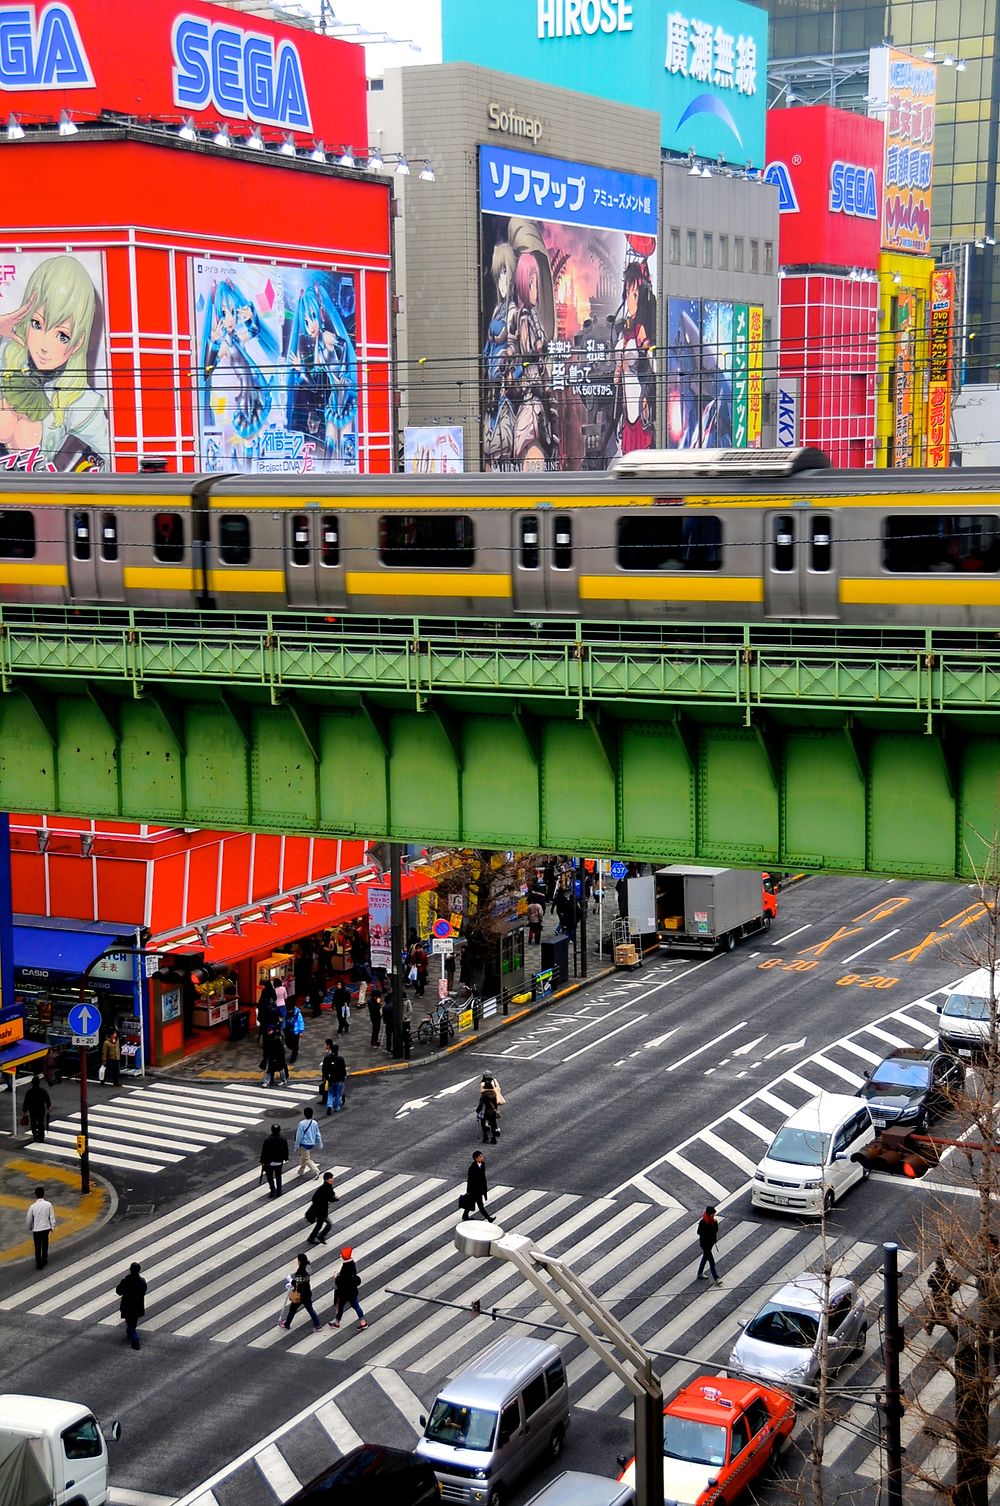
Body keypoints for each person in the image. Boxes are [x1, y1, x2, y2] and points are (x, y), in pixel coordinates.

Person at [277, 1251, 322, 1332]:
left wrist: (290, 1280)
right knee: (310, 1309)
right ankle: (317, 1325)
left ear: (300, 1261)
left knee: (292, 1309)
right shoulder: (308, 1267)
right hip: (307, 1292)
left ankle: (287, 1324)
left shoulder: (300, 1271)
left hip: (300, 1294)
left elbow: (297, 1282)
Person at [329, 1247, 368, 1330]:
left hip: (344, 1292)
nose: (340, 1255)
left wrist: (336, 1277)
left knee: (340, 1307)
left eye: (341, 1255)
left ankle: (337, 1323)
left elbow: (341, 1282)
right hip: (352, 1291)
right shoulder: (352, 1264)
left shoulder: (345, 1268)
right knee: (356, 1306)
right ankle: (363, 1322)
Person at [925, 1255, 960, 1338]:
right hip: (942, 1297)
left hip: (939, 1297)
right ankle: (957, 1338)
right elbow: (956, 1284)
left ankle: (930, 1326)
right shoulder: (947, 1275)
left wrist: (949, 1290)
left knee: (936, 1313)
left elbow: (929, 1283)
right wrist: (950, 1290)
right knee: (942, 1317)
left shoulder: (939, 1275)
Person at [115, 1262, 147, 1350]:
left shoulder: (125, 1281)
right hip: (137, 1306)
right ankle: (130, 1334)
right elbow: (144, 1291)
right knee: (133, 1322)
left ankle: (135, 1340)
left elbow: (118, 1291)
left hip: (127, 1305)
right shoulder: (142, 1281)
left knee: (130, 1323)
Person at [26, 1186, 56, 1269]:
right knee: (45, 1244)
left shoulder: (32, 1207)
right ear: (44, 1194)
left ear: (35, 1195)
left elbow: (29, 1219)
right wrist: (52, 1227)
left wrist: (30, 1227)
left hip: (37, 1229)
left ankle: (39, 1263)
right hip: (46, 1228)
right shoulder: (48, 1204)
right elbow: (52, 1217)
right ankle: (44, 1259)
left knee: (37, 1246)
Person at [306, 1171, 338, 1245]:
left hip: (319, 1210)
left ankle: (313, 1237)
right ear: (327, 1180)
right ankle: (320, 1236)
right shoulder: (327, 1188)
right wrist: (336, 1198)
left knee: (319, 1225)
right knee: (329, 1224)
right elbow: (330, 1198)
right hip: (321, 1211)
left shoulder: (324, 1187)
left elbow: (314, 1198)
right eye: (331, 1178)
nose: (332, 1179)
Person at [462, 1151, 494, 1222]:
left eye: (482, 1156)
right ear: (476, 1158)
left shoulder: (482, 1164)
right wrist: (469, 1191)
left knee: (470, 1204)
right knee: (480, 1205)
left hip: (479, 1189)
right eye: (480, 1157)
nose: (482, 1157)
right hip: (474, 1190)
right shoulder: (472, 1168)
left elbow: (483, 1178)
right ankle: (489, 1218)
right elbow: (470, 1180)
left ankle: (465, 1216)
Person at [259, 1122, 289, 1198]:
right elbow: (286, 1150)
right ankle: (279, 1191)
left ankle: (272, 1190)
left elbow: (264, 1151)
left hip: (270, 1162)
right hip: (279, 1161)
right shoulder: (283, 1139)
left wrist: (262, 1161)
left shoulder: (268, 1140)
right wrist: (285, 1158)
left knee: (269, 1177)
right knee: (278, 1176)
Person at [695, 1206, 721, 1284]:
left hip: (710, 1244)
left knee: (705, 1258)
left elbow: (716, 1230)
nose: (714, 1215)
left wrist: (715, 1224)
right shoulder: (703, 1222)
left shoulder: (713, 1221)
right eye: (713, 1214)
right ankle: (716, 1278)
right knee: (711, 1262)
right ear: (710, 1214)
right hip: (705, 1244)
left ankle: (699, 1273)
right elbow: (699, 1232)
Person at [294, 1107, 322, 1179]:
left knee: (306, 1159)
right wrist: (319, 1142)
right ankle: (301, 1170)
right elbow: (317, 1133)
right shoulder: (314, 1122)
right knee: (304, 1157)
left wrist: (296, 1145)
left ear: (304, 1114)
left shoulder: (302, 1124)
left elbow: (299, 1136)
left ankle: (316, 1171)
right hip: (311, 1143)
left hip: (304, 1143)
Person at [23, 1074, 50, 1142]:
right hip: (41, 1109)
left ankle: (35, 1135)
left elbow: (26, 1102)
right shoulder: (43, 1091)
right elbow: (47, 1100)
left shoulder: (29, 1092)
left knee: (33, 1122)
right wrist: (48, 1107)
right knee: (41, 1122)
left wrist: (24, 1110)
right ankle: (41, 1137)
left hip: (32, 1109)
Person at [478, 1074, 501, 1146]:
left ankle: (485, 1137)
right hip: (492, 1111)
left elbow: (481, 1103)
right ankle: (493, 1138)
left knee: (483, 1123)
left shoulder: (484, 1094)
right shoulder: (494, 1094)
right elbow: (495, 1103)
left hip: (485, 1111)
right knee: (493, 1124)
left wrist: (477, 1110)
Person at [326, 1044, 348, 1115]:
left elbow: (324, 1068)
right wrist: (344, 1077)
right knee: (338, 1093)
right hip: (339, 1079)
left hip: (331, 1079)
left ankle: (329, 1105)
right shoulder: (340, 1059)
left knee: (330, 1093)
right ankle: (336, 1107)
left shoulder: (327, 1058)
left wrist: (326, 1076)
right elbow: (343, 1069)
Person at [367, 983, 382, 1047]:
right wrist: (378, 1004)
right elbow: (374, 1008)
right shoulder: (371, 1001)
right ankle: (373, 1041)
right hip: (374, 1016)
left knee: (377, 1029)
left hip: (378, 1016)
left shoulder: (374, 1000)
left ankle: (375, 1040)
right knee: (375, 1029)